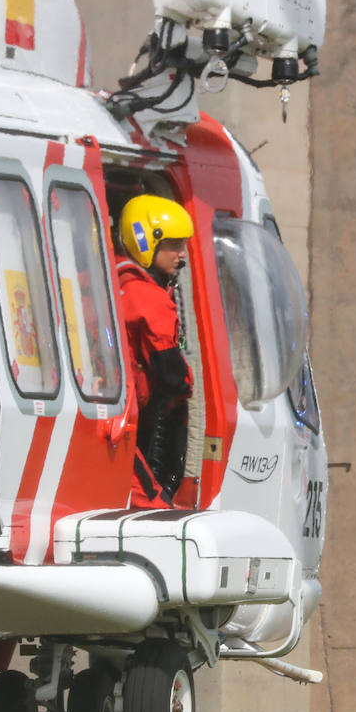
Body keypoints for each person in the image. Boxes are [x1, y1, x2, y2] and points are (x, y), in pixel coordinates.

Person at [114, 194, 194, 507]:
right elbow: (172, 375)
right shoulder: (148, 298)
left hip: (124, 415)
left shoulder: (113, 279)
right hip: (120, 424)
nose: (181, 254)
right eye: (174, 245)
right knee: (155, 509)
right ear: (145, 241)